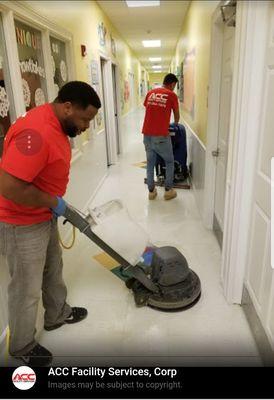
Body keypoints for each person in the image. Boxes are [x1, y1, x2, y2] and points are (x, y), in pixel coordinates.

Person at [0, 81, 101, 367]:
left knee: (53, 267)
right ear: (67, 107)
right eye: (85, 119)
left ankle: (56, 314)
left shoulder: (55, 123)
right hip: (20, 223)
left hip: (41, 214)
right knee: (26, 288)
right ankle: (21, 345)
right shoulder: (36, 133)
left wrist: (52, 205)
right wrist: (52, 201)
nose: (86, 127)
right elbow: (9, 187)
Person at [142, 73, 180, 200]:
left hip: (147, 134)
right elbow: (177, 118)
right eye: (175, 86)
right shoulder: (172, 95)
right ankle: (168, 191)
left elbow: (148, 108)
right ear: (173, 84)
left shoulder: (150, 93)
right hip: (161, 136)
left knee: (150, 163)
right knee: (169, 161)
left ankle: (151, 192)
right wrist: (172, 124)